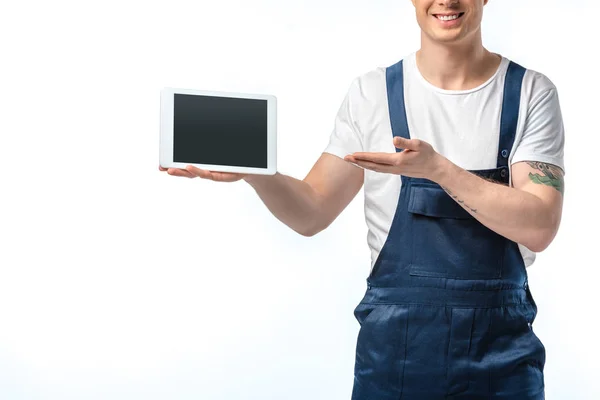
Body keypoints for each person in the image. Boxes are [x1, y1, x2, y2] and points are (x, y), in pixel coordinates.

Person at [160, 0, 565, 397]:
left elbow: (540, 225)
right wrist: (257, 174)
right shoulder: (371, 93)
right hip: (394, 357)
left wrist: (438, 170)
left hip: (502, 361)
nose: (446, 1)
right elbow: (312, 212)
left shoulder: (530, 93)